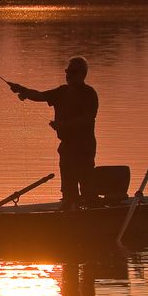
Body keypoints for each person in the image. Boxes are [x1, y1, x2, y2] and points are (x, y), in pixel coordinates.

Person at [8, 56, 98, 210]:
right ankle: (71, 210)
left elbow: (87, 119)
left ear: (82, 74)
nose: (68, 75)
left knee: (86, 185)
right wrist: (22, 90)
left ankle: (90, 213)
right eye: (67, 71)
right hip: (67, 147)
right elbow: (40, 96)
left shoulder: (89, 94)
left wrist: (63, 125)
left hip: (84, 147)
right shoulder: (62, 91)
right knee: (68, 187)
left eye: (73, 72)